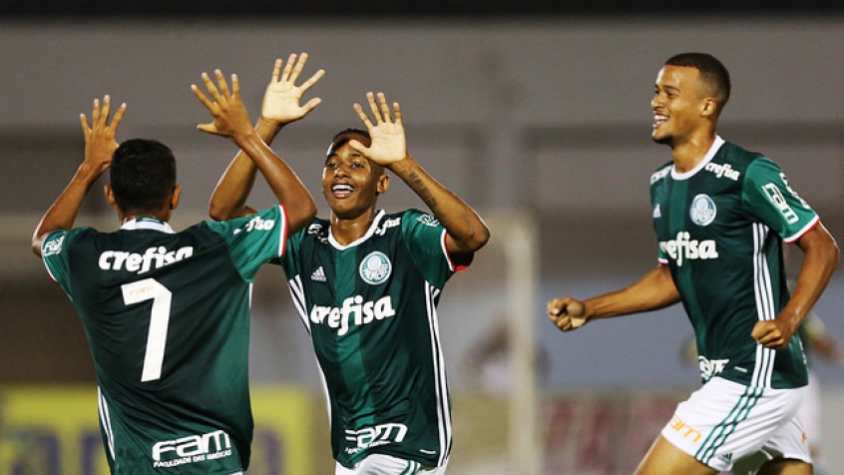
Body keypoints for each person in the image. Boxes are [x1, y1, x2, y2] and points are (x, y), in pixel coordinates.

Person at [547, 52, 840, 475]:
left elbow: (823, 246)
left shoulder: (748, 174)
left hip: (754, 371)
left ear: (707, 106)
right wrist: (590, 309)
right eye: (654, 92)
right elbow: (672, 276)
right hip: (730, 371)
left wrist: (790, 318)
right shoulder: (662, 185)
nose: (655, 103)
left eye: (670, 93)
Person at [208, 54, 490, 474]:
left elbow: (474, 235)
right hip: (350, 452)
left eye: (357, 164)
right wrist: (263, 129)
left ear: (381, 182)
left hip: (412, 447)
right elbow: (224, 213)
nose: (341, 171)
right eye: (332, 164)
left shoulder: (407, 235)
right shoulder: (304, 244)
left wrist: (404, 163)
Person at [31, 64, 317, 474]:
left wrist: (88, 168)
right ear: (176, 196)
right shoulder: (216, 247)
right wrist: (249, 134)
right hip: (215, 461)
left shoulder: (86, 256)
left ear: (110, 195)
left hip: (140, 466)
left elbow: (44, 238)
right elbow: (302, 208)